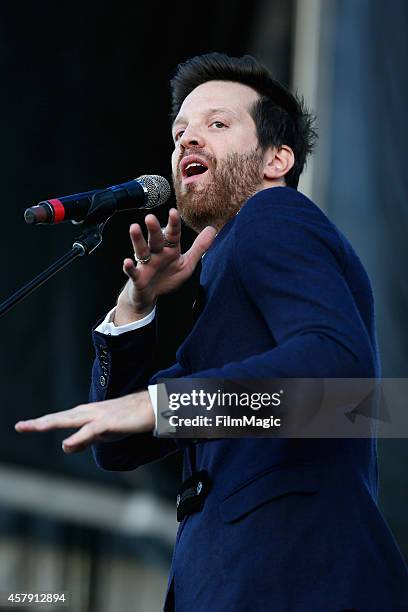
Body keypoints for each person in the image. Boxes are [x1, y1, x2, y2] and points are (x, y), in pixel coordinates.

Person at [16, 53, 408, 611]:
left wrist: (164, 404)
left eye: (217, 125)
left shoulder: (274, 217)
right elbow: (117, 446)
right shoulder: (230, 277)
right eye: (180, 133)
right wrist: (136, 304)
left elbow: (340, 383)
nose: (187, 142)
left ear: (277, 159)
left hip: (292, 580)